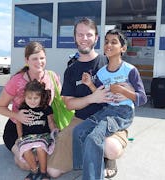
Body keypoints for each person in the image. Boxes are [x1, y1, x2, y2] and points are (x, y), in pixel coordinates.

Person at [46, 17, 134, 178]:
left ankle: (107, 158)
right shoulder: (71, 70)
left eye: (89, 34)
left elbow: (128, 88)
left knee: (111, 148)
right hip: (80, 120)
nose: (84, 38)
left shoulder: (108, 62)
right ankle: (86, 155)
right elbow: (69, 104)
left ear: (96, 38)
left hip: (109, 120)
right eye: (80, 35)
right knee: (53, 171)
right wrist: (93, 98)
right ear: (74, 38)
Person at [73, 29, 147, 179]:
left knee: (94, 138)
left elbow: (142, 98)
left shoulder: (130, 70)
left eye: (114, 42)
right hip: (107, 110)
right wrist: (89, 85)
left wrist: (123, 91)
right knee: (78, 131)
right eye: (106, 41)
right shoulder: (101, 73)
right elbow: (101, 94)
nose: (108, 45)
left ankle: (92, 176)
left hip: (123, 112)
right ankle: (86, 167)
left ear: (123, 48)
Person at [0, 41, 61, 173]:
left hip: (43, 129)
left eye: (42, 58)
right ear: (27, 60)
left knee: (48, 160)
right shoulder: (16, 81)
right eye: (34, 58)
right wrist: (17, 115)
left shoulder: (52, 77)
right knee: (27, 164)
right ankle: (18, 154)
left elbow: (59, 102)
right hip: (17, 130)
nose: (39, 62)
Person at [16, 79, 57, 180]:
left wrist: (54, 132)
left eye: (36, 98)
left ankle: (43, 173)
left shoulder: (46, 108)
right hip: (28, 137)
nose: (32, 101)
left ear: (41, 97)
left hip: (43, 136)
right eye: (29, 98)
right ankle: (34, 171)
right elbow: (18, 122)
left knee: (40, 147)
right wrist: (20, 136)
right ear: (24, 97)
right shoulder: (23, 108)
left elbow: (51, 122)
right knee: (25, 148)